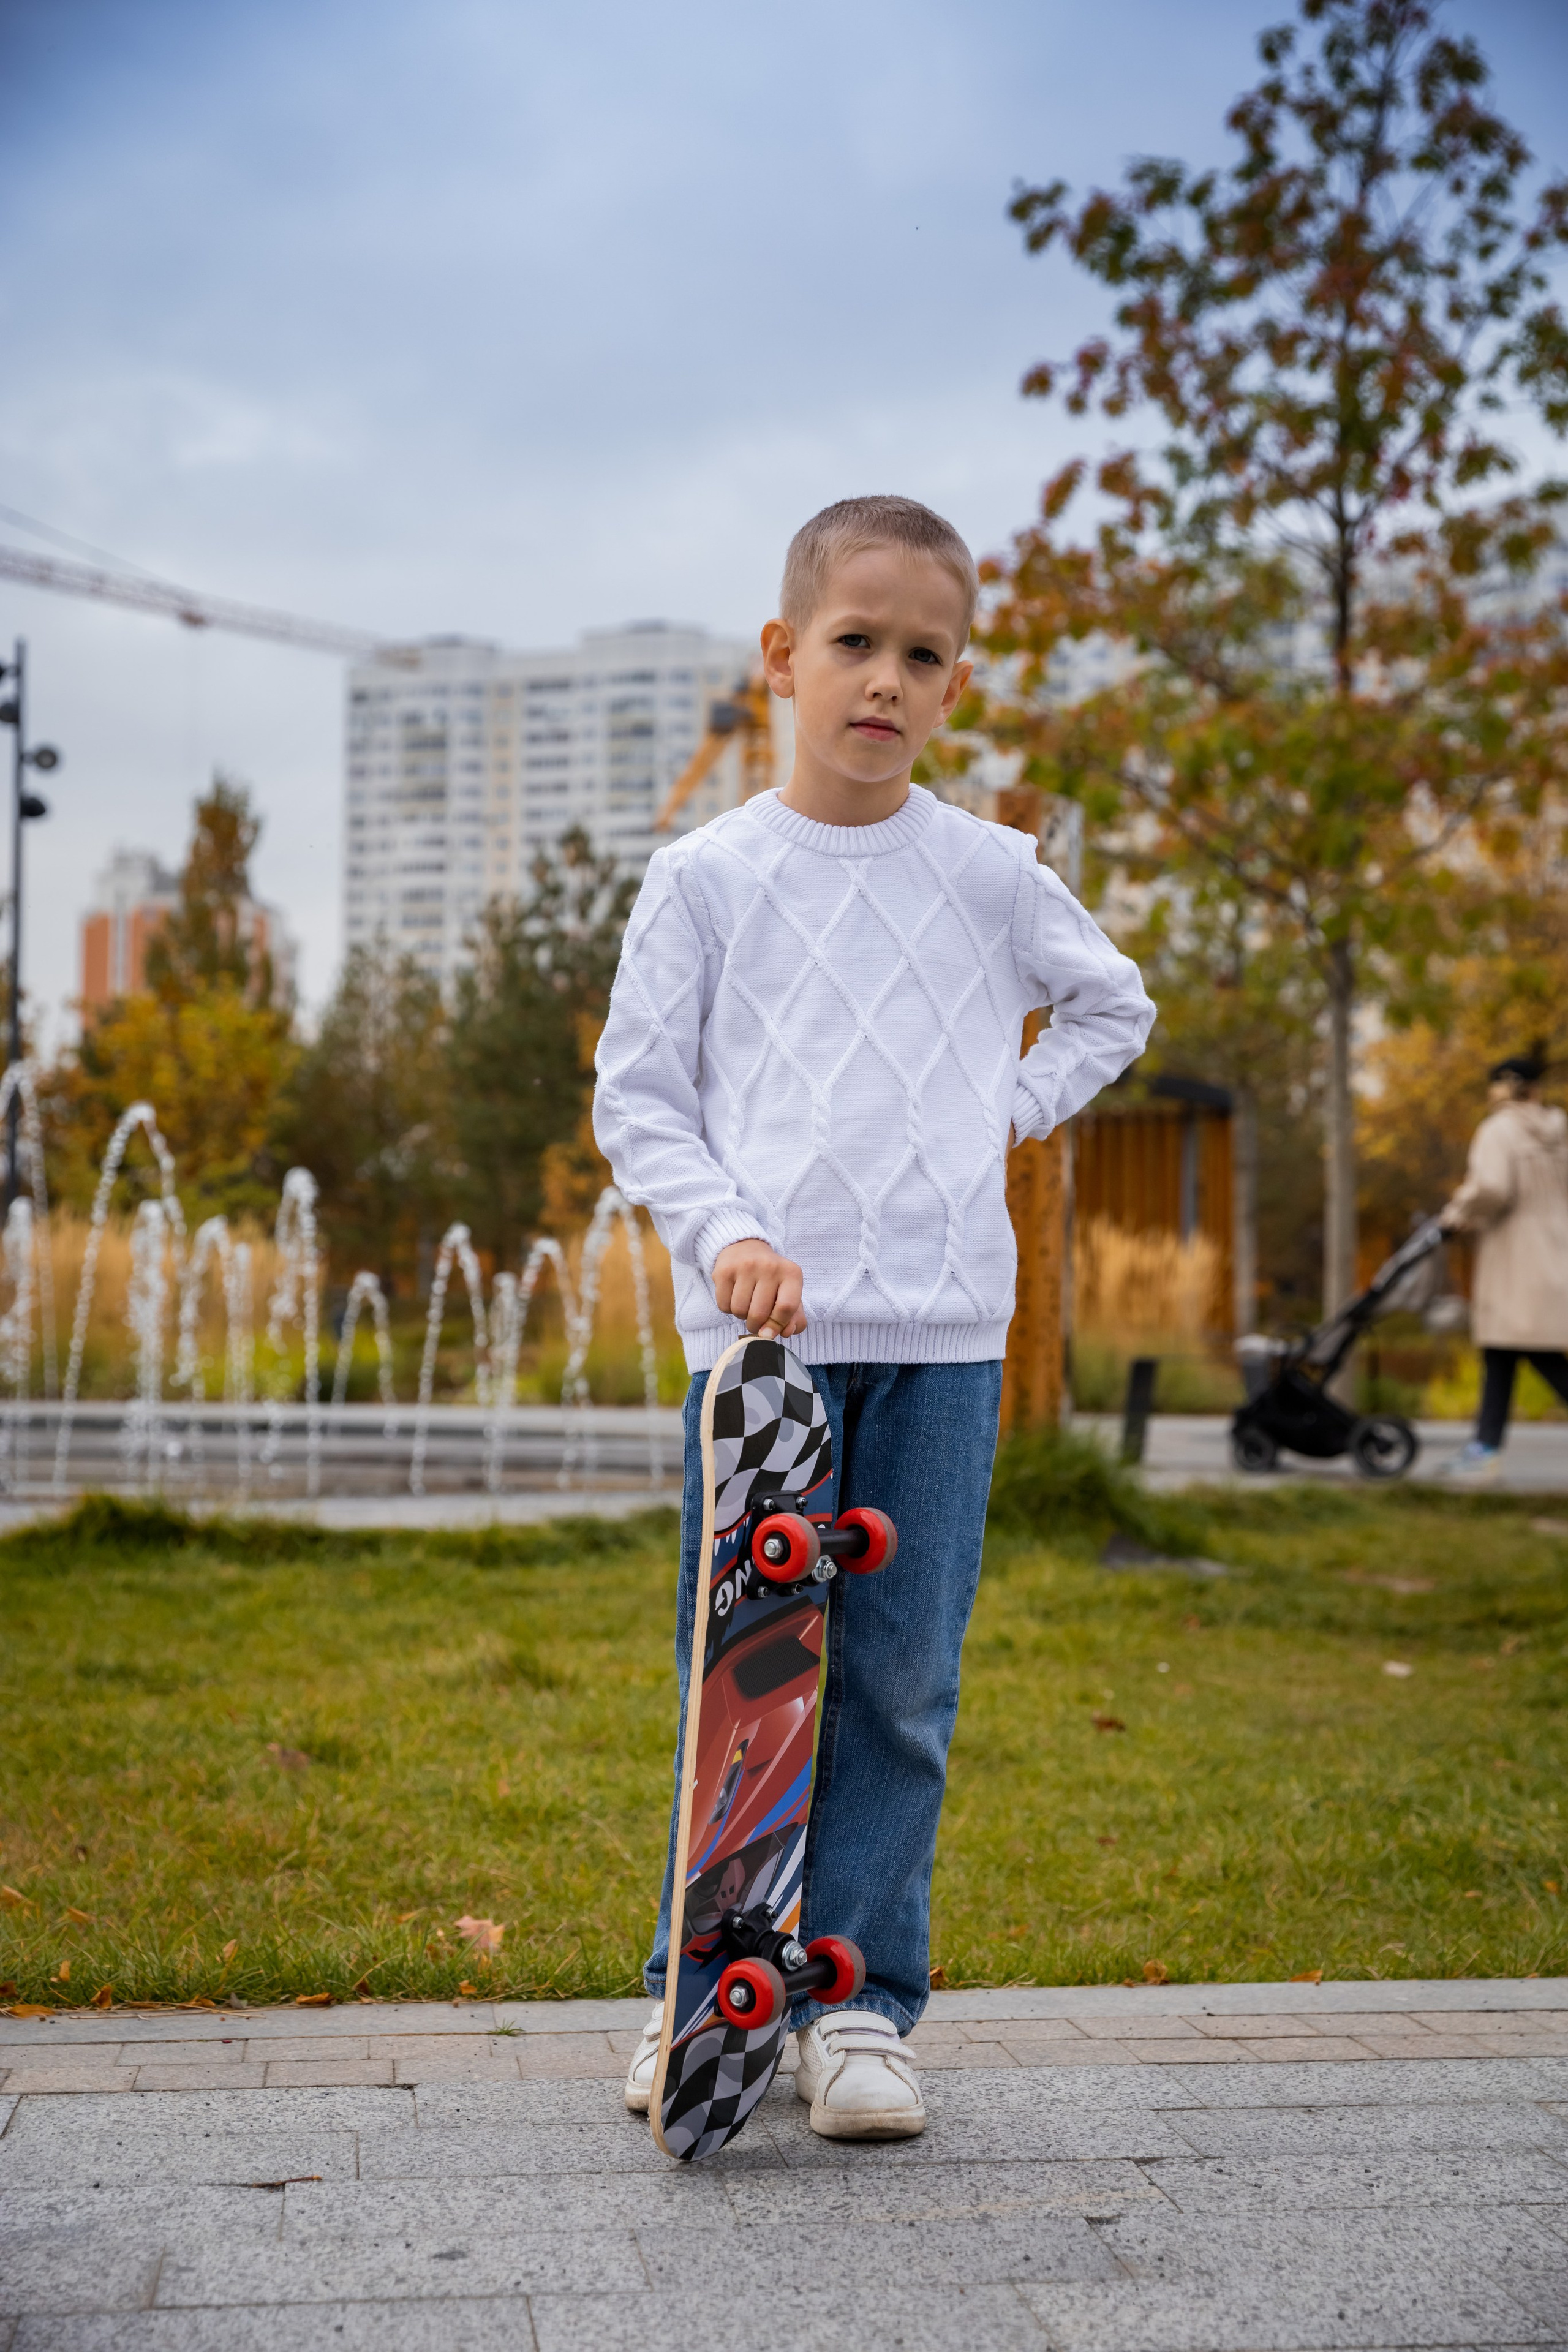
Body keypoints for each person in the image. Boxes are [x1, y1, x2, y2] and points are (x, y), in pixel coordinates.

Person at [593, 494, 1154, 2139]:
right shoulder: (705, 878)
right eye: (856, 643)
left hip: (942, 1337)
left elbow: (1114, 1004)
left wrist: (1004, 1111)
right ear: (785, 656)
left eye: (924, 654)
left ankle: (857, 2011)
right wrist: (728, 1233)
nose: (885, 680)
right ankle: (703, 2001)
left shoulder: (990, 874)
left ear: (957, 684)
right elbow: (640, 1101)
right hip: (762, 1356)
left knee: (900, 1684)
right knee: (750, 1684)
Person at [1440, 1054, 1568, 1477]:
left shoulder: (1499, 1130)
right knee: (1505, 1352)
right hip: (1556, 1251)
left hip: (1515, 1255)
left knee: (1529, 1350)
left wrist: (1459, 1211)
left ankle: (1484, 1452)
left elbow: (1493, 1187)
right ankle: (1485, 1448)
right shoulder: (1560, 1130)